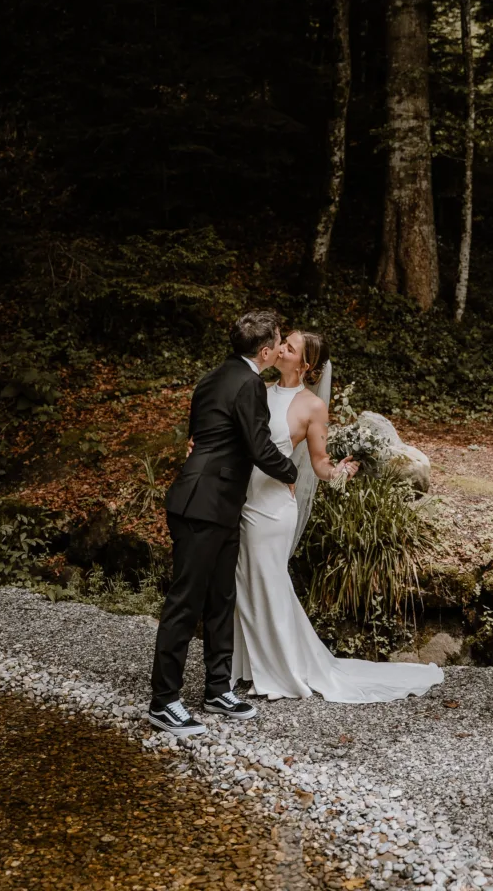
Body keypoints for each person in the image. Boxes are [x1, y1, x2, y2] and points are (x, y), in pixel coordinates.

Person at [232, 330, 444, 703]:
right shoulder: (257, 390)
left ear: (306, 364)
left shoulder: (311, 406)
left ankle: (281, 671)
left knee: (269, 582)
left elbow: (318, 463)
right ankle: (248, 667)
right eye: (284, 343)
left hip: (274, 507)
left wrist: (340, 472)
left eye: (291, 347)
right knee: (246, 583)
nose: (281, 348)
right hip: (245, 503)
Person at [149, 310, 298, 737]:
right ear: (266, 351)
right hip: (202, 504)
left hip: (217, 503)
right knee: (186, 602)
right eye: (278, 341)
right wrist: (291, 472)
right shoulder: (249, 382)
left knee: (221, 597)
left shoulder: (210, 378)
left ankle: (217, 688)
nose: (281, 345)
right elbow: (257, 445)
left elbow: (201, 435)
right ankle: (164, 702)